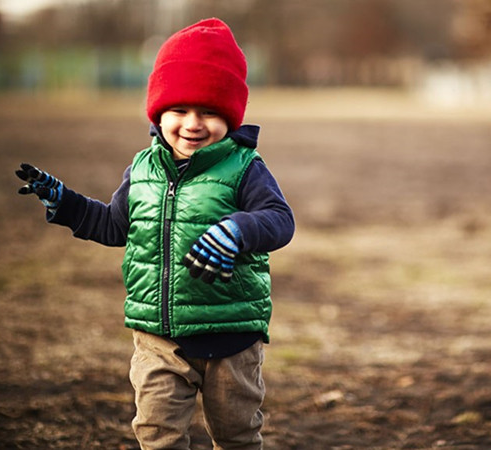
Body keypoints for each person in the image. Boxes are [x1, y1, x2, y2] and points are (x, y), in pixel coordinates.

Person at [15, 18, 294, 450]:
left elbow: (280, 219)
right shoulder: (143, 169)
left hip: (232, 338)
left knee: (236, 436)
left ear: (231, 116)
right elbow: (113, 225)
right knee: (156, 433)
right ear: (158, 112)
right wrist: (67, 204)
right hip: (158, 338)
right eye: (179, 110)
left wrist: (239, 230)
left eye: (209, 112)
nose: (192, 124)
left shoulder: (244, 167)